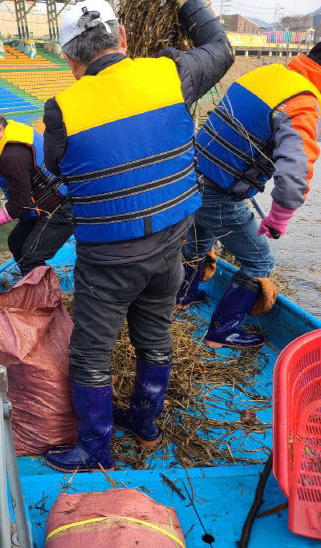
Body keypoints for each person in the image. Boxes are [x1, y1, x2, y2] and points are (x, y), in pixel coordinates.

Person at [41, 0, 233, 472]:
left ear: (70, 59)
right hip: (171, 244)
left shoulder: (61, 109)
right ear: (122, 36)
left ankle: (95, 449)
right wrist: (188, 5)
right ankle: (146, 425)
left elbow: (56, 165)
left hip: (109, 259)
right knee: (154, 335)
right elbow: (221, 49)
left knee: (91, 352)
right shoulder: (171, 74)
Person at [177, 43, 321, 348]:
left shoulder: (268, 74)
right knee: (259, 262)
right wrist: (278, 217)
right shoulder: (302, 102)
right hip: (218, 191)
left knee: (198, 243)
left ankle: (183, 296)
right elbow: (296, 171)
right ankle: (222, 331)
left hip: (190, 176)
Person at [0, 108, 74, 276]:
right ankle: (32, 280)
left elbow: (20, 204)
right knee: (16, 242)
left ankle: (43, 299)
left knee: (30, 256)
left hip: (62, 206)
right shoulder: (10, 139)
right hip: (45, 204)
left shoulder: (12, 156)